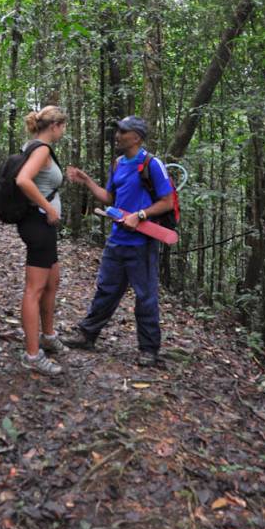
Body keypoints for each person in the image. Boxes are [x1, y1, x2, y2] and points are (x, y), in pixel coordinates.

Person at [65, 115, 173, 367]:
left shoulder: (152, 164)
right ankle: (87, 335)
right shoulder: (118, 164)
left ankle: (149, 349)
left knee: (145, 297)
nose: (117, 135)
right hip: (117, 240)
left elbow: (166, 202)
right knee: (106, 289)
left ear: (136, 137)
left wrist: (141, 215)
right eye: (117, 131)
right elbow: (110, 198)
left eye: (122, 132)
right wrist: (87, 181)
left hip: (142, 244)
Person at [15, 106, 67, 377]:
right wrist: (48, 207)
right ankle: (32, 355)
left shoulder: (33, 145)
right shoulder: (42, 149)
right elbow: (23, 180)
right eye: (63, 126)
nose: (64, 131)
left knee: (52, 280)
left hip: (41, 225)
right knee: (34, 289)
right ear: (55, 126)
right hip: (38, 224)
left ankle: (48, 335)